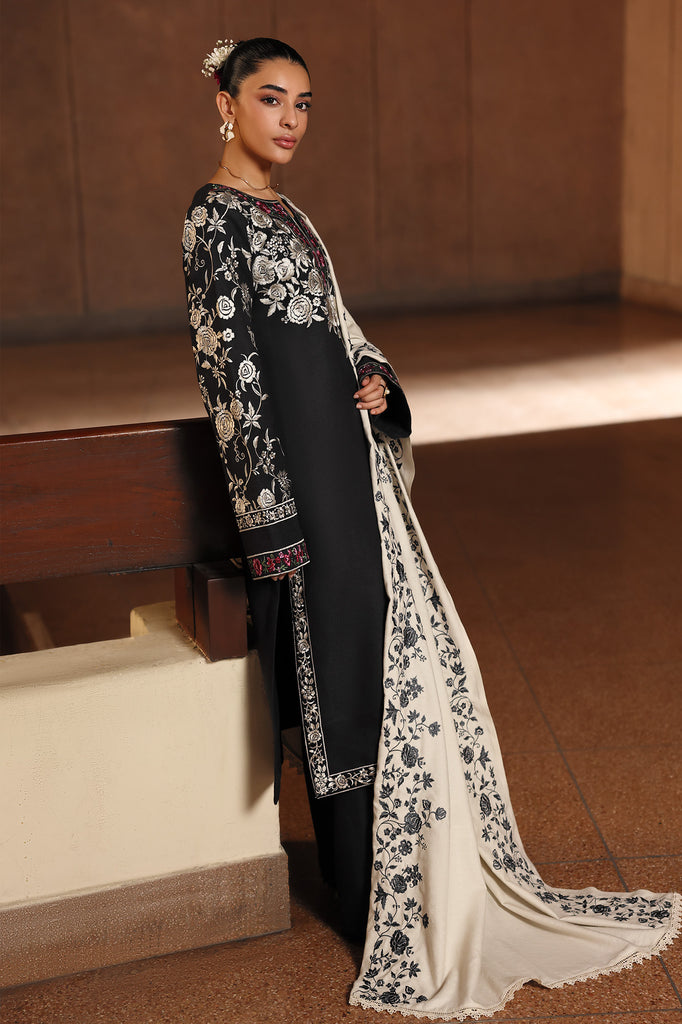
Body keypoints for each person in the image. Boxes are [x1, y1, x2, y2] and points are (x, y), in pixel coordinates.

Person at [183, 36, 680, 1021]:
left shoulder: (289, 213)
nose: (291, 119)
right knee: (335, 669)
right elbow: (227, 376)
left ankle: (408, 876)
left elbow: (338, 329)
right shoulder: (212, 219)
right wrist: (270, 523)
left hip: (353, 476)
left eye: (304, 103)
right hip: (301, 492)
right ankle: (367, 894)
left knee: (378, 656)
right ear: (225, 105)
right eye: (272, 98)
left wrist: (378, 380)